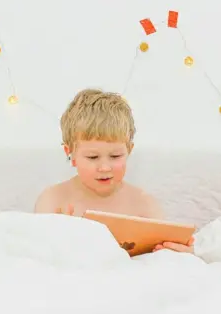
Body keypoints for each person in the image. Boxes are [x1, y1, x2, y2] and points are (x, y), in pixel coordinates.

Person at [34, 88, 193, 253]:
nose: (104, 167)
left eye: (115, 156)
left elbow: (162, 260)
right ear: (70, 153)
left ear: (129, 151)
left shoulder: (144, 205)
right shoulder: (53, 201)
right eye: (92, 157)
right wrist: (59, 237)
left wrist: (180, 254)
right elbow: (39, 255)